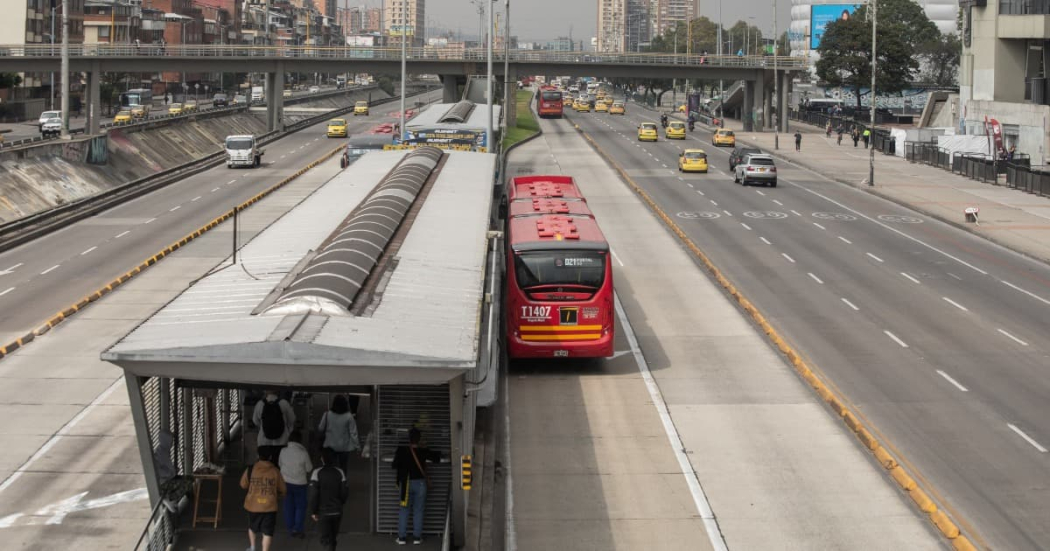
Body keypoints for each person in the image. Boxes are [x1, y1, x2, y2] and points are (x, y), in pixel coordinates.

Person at [393, 428, 442, 545]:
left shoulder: (401, 450)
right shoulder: (423, 451)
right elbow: (436, 457)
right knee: (418, 511)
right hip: (420, 485)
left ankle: (402, 538)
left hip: (406, 484)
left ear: (409, 438)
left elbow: (394, 465)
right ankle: (416, 538)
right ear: (419, 439)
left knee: (404, 510)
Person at [241, 446, 287, 551]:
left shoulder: (251, 469)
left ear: (257, 456)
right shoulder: (275, 471)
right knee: (267, 531)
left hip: (253, 506)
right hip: (269, 506)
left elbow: (243, 484)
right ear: (270, 457)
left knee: (252, 527)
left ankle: (252, 548)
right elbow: (283, 489)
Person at [309, 447, 348, 551]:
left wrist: (313, 511)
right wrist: (340, 503)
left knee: (325, 540)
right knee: (333, 538)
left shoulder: (317, 473)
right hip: (337, 511)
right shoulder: (340, 472)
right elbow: (344, 493)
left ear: (322, 458)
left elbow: (313, 494)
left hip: (323, 512)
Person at [279, 429, 312, 539]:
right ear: (300, 441)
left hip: (285, 483)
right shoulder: (303, 453)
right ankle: (297, 528)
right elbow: (309, 468)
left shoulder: (283, 451)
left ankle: (290, 528)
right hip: (300, 484)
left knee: (288, 506)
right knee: (300, 507)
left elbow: (280, 464)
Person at [318, 395, 360, 475]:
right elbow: (353, 433)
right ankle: (343, 483)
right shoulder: (349, 416)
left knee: (330, 467)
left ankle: (332, 483)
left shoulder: (327, 414)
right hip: (344, 447)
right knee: (343, 468)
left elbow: (320, 428)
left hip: (329, 446)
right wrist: (357, 447)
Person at [253, 391, 296, 459]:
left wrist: (263, 427)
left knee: (265, 466)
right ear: (278, 391)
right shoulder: (284, 403)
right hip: (281, 441)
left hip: (264, 442)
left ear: (266, 392)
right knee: (279, 464)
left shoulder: (260, 404)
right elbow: (292, 419)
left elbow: (255, 421)